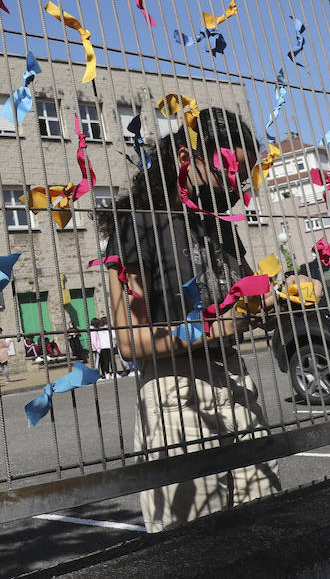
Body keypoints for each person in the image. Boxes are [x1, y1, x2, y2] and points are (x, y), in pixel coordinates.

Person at [101, 105, 314, 532]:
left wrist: (274, 303)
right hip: (174, 398)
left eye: (243, 175)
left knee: (269, 535)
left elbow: (241, 301)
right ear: (186, 159)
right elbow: (129, 341)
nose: (235, 186)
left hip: (235, 385)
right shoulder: (137, 224)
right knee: (200, 552)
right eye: (227, 172)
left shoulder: (219, 225)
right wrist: (219, 327)